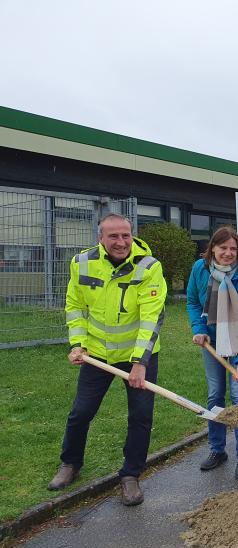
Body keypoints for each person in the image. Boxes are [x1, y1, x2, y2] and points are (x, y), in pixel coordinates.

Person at [49, 213, 167, 506]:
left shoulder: (149, 267)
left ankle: (130, 475)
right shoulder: (82, 263)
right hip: (97, 354)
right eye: (113, 236)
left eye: (126, 235)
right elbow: (75, 306)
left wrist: (140, 362)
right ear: (100, 238)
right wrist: (78, 344)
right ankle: (71, 464)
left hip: (138, 355)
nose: (121, 242)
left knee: (140, 416)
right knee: (81, 412)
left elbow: (152, 318)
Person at [187, 226, 238, 479]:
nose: (228, 253)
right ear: (213, 249)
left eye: (233, 249)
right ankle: (217, 449)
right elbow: (193, 301)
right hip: (212, 341)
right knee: (215, 394)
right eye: (223, 248)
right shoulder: (200, 269)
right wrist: (199, 328)